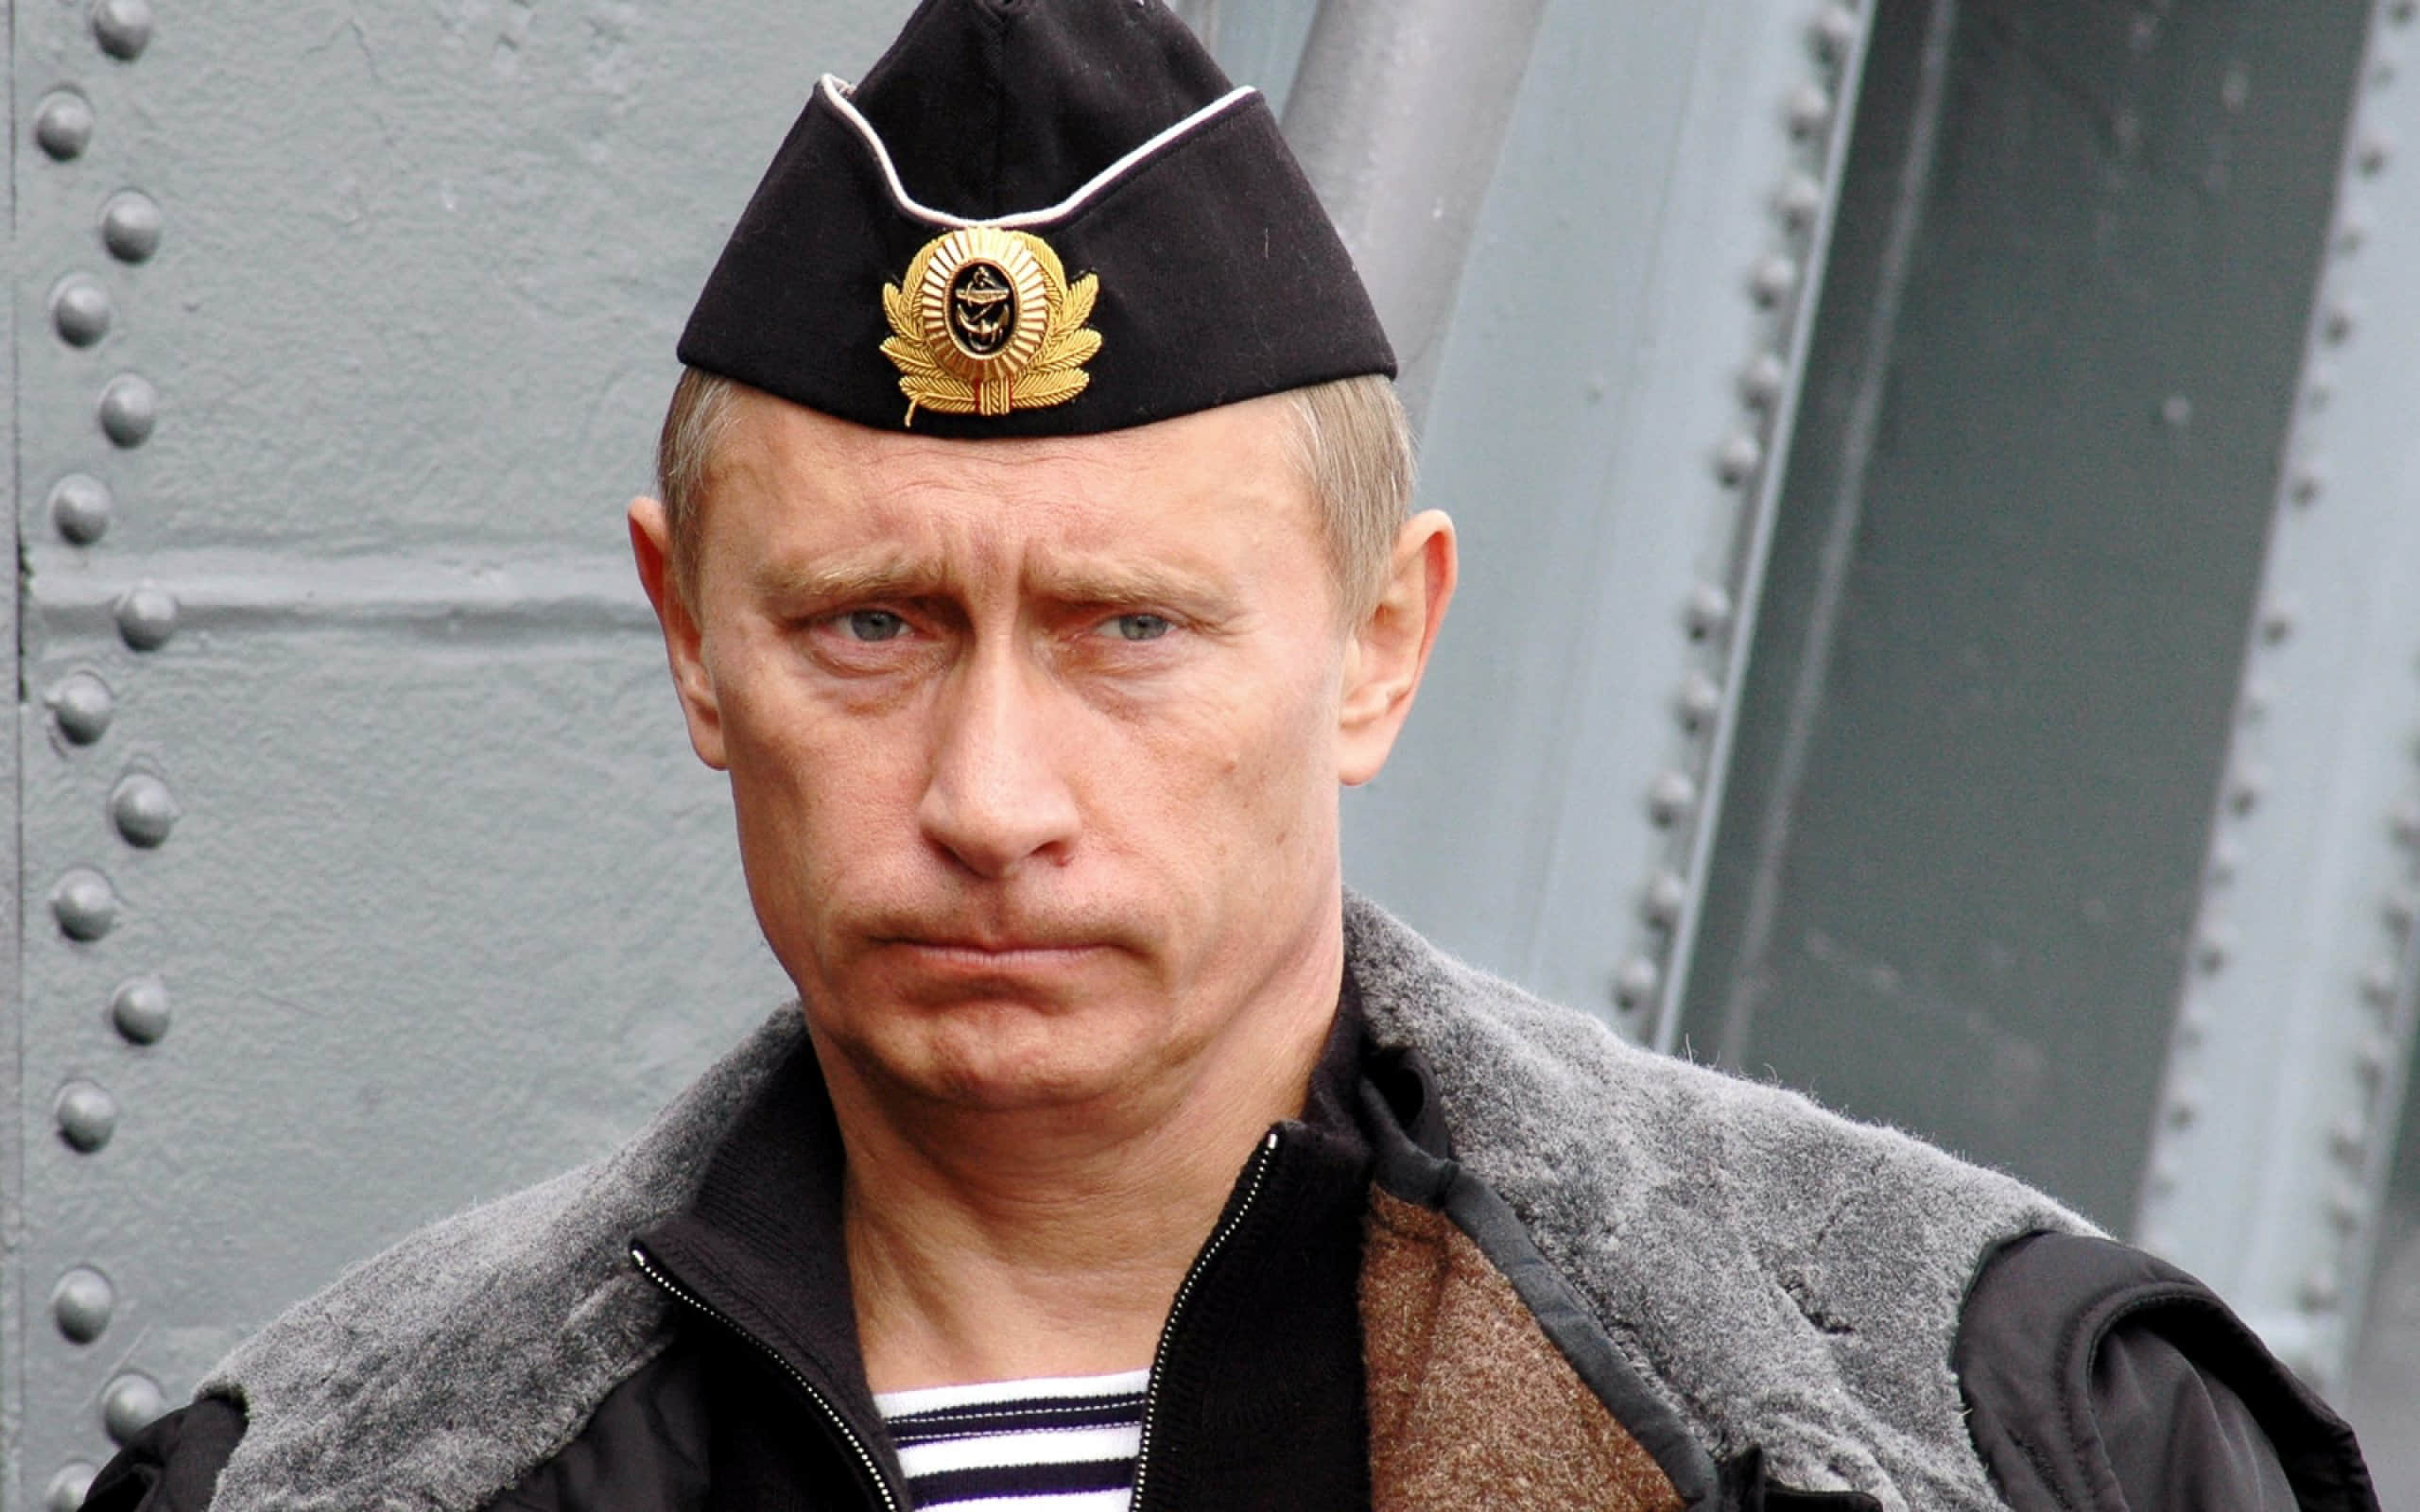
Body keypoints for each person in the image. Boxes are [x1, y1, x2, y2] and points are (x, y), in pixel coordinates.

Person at [88, 1, 2378, 1508]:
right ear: (692, 639)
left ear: (1381, 644)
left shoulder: (1999, 1422)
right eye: (872, 623)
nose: (991, 800)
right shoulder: (329, 1471)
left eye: (1128, 628)